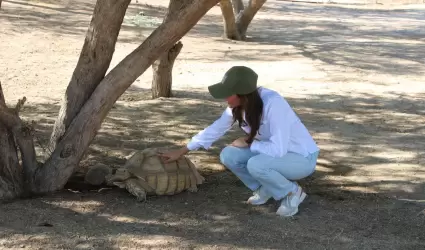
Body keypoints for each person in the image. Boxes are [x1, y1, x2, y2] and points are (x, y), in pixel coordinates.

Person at [159, 66, 320, 217]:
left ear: (243, 94)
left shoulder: (274, 104)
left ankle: (291, 192)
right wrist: (182, 151)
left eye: (229, 93)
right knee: (229, 155)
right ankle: (265, 188)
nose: (224, 97)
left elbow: (278, 149)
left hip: (301, 158)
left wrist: (250, 143)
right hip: (275, 154)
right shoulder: (238, 106)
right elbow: (215, 129)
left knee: (256, 164)